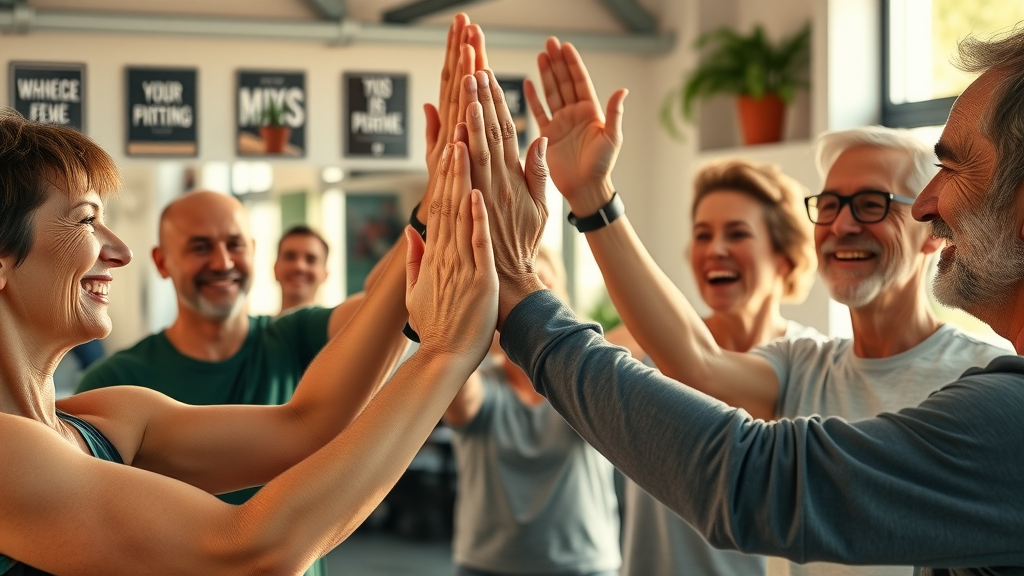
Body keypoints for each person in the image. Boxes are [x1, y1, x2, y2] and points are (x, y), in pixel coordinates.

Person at [461, 25, 1024, 576]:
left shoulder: (985, 386)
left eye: (873, 203)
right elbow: (696, 362)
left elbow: (750, 478)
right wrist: (592, 198)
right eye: (829, 204)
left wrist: (523, 295)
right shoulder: (805, 362)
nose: (843, 223)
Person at [0, 102, 499, 575]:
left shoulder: (110, 418)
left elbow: (309, 426)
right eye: (87, 220)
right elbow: (253, 554)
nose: (119, 251)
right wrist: (444, 355)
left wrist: (437, 206)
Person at [604, 158, 821, 576]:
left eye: (737, 233)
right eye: (703, 235)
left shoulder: (815, 363)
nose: (715, 249)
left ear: (785, 258)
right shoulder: (645, 348)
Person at [444, 244, 620, 576]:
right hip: (487, 567)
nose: (529, 311)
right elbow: (455, 381)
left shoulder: (585, 384)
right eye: (512, 296)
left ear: (563, 302)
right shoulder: (481, 386)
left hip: (585, 567)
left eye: (541, 292)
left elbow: (639, 337)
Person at [275, 224, 330, 315]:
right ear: (275, 269)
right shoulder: (258, 328)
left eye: (311, 259)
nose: (299, 266)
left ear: (325, 274)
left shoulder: (342, 328)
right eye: (290, 257)